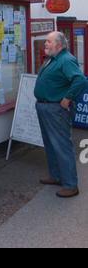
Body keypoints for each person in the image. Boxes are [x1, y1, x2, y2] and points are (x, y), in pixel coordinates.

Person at [34, 31, 86, 198]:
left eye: (49, 41)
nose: (45, 44)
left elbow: (80, 80)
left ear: (58, 44)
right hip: (45, 107)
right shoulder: (52, 58)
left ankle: (71, 185)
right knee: (50, 144)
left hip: (56, 109)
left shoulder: (66, 59)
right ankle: (56, 176)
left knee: (62, 146)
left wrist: (67, 98)